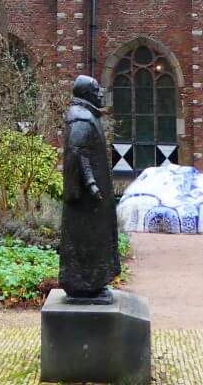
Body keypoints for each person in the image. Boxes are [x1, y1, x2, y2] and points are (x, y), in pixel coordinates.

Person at [59, 74, 120, 300]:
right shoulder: (81, 119)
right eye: (96, 89)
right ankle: (83, 284)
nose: (101, 93)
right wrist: (91, 185)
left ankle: (93, 284)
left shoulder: (86, 115)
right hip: (87, 199)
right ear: (86, 93)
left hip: (91, 198)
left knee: (93, 238)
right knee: (87, 239)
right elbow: (78, 152)